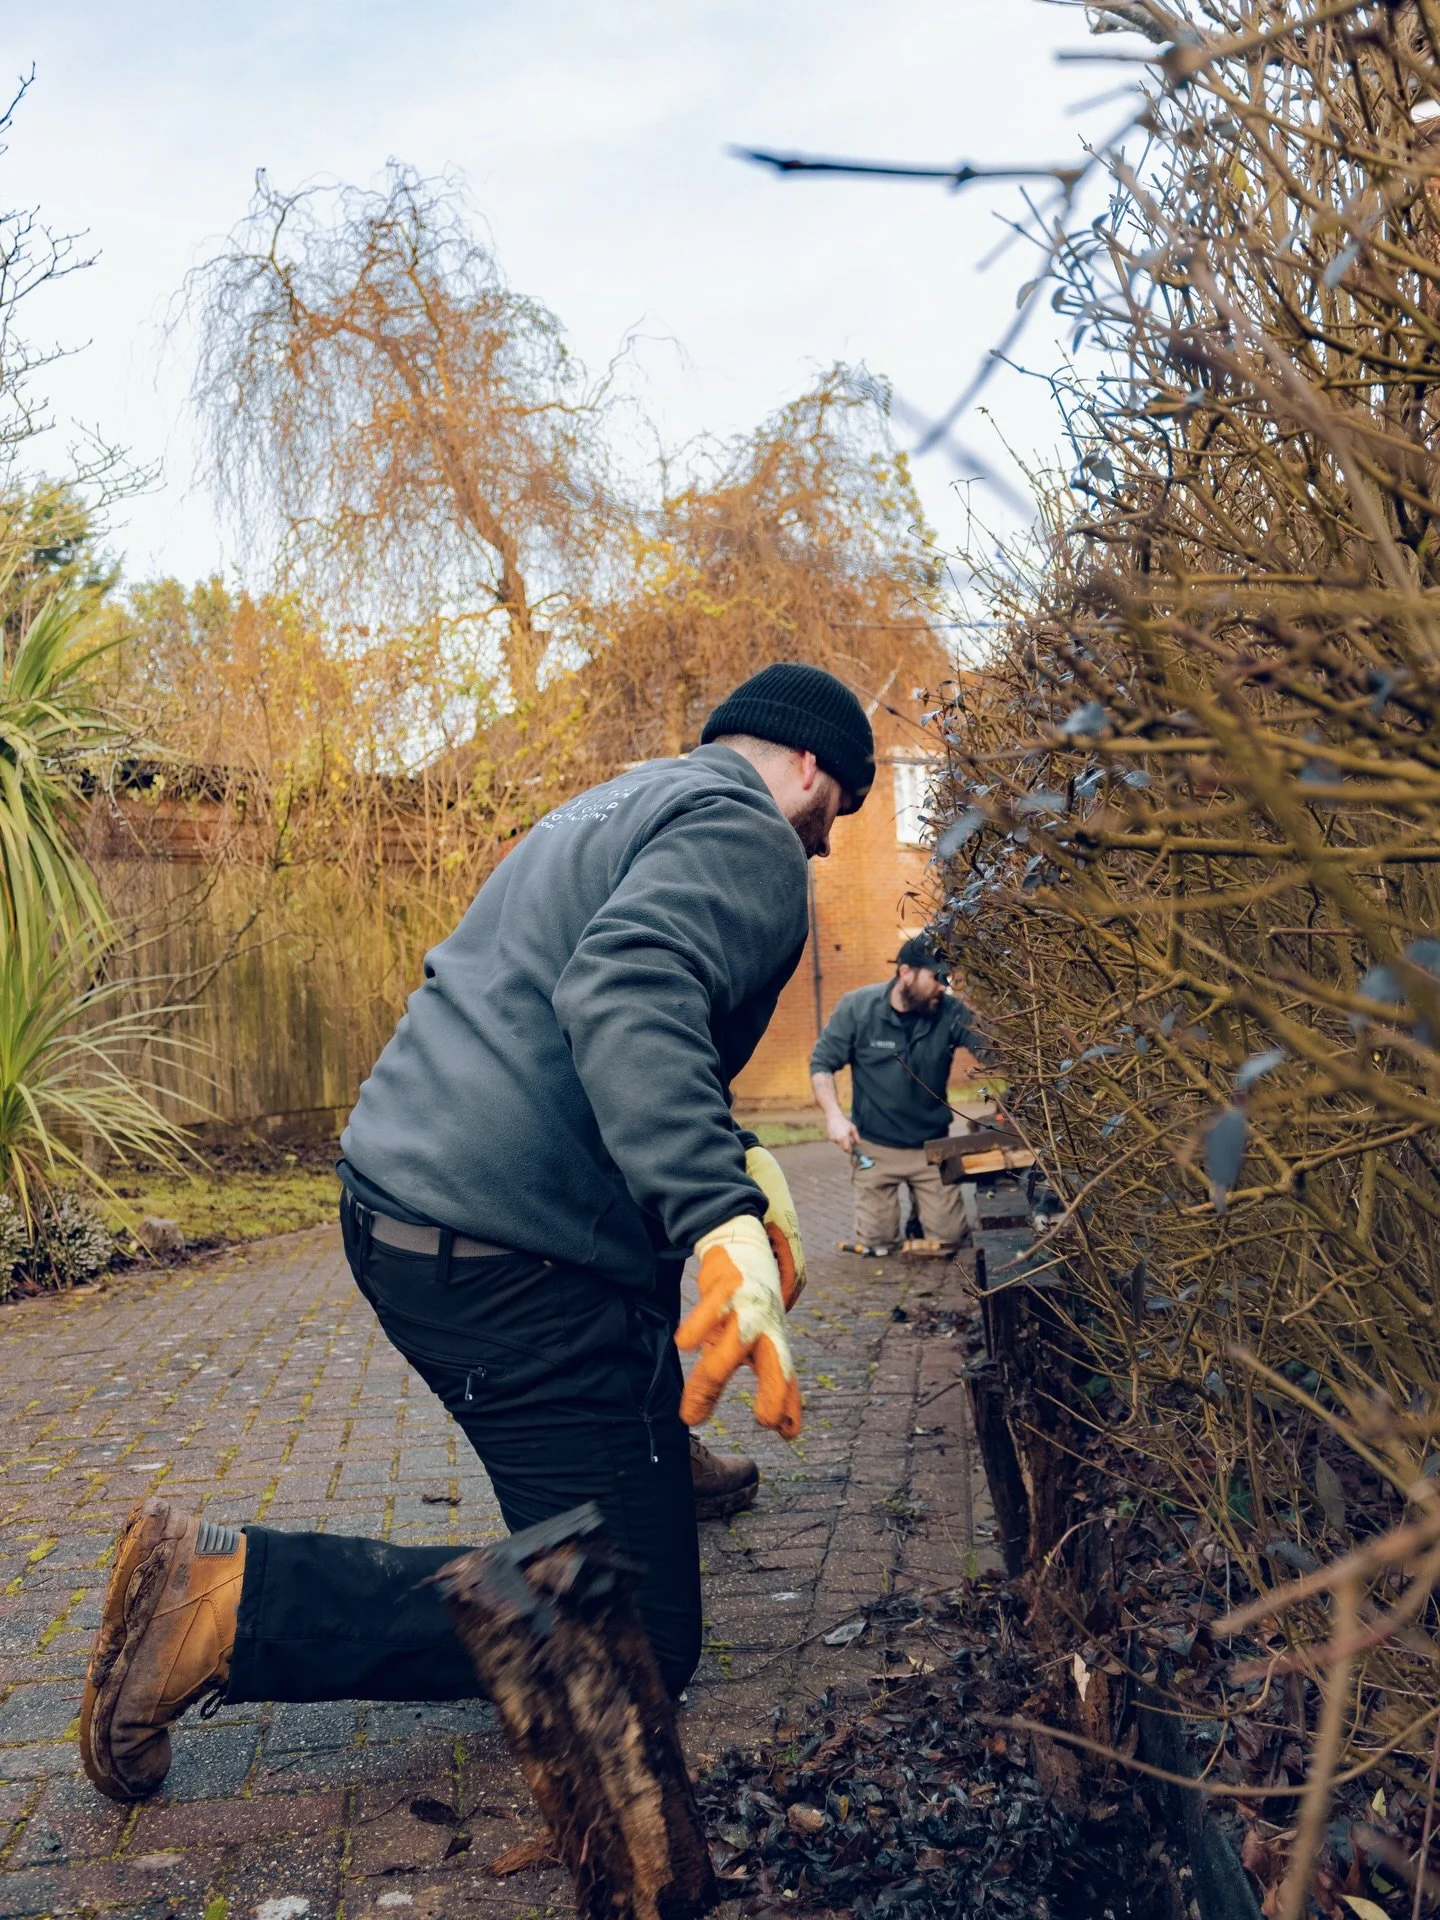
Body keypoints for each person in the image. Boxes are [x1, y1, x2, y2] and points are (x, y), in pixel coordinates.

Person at [78, 663, 876, 1804]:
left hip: (398, 1198)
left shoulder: (608, 805)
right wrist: (715, 1212)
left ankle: (650, 1454)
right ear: (806, 764)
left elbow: (543, 1011)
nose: (825, 846)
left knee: (631, 1437)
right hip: (505, 1258)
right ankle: (225, 1606)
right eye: (835, 814)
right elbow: (628, 990)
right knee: (642, 1634)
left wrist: (734, 1157)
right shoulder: (750, 834)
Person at [810, 937, 985, 1255]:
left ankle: (922, 1212)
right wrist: (834, 1117)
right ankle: (897, 1221)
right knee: (877, 1244)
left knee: (948, 1239)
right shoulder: (858, 1008)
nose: (943, 987)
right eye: (936, 977)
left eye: (947, 979)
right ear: (906, 973)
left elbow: (992, 1049)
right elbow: (821, 1063)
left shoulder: (949, 1012)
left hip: (932, 1148)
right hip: (875, 1148)